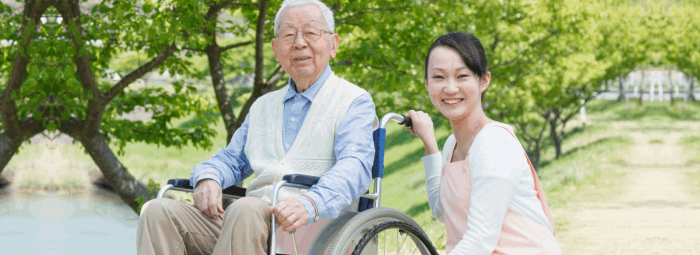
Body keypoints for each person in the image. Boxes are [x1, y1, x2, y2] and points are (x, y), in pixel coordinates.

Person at [136, 0, 378, 254]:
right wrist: (209, 177)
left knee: (244, 209)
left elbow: (355, 167)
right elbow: (232, 160)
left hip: (314, 230)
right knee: (157, 211)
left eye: (310, 32)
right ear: (276, 49)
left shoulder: (353, 101)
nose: (298, 43)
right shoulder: (263, 106)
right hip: (247, 227)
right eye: (288, 35)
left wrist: (311, 203)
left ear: (333, 44)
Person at [407, 32, 562, 254]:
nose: (450, 88)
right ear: (427, 84)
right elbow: (442, 211)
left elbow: (480, 241)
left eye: (462, 76)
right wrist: (430, 143)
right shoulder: (453, 143)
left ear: (484, 81)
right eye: (439, 77)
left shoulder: (493, 144)